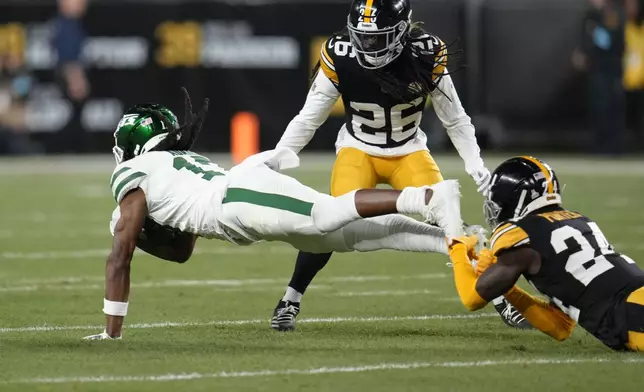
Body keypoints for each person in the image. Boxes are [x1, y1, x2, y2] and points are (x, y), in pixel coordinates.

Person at [83, 90, 467, 340]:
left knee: (325, 214)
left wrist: (111, 333)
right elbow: (183, 249)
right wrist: (146, 233)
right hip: (240, 202)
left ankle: (426, 197)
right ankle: (452, 242)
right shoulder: (174, 162)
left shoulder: (131, 172)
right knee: (354, 236)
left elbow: (120, 257)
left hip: (238, 199)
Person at [270, 0, 527, 332]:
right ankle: (290, 299)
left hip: (408, 151)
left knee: (452, 224)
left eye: (378, 38)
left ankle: (500, 297)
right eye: (362, 37)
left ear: (402, 31)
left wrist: (475, 164)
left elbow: (455, 119)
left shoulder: (425, 53)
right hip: (358, 150)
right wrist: (277, 158)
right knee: (329, 224)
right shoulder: (340, 53)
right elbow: (308, 119)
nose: (368, 45)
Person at [448, 156, 644, 351]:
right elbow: (560, 327)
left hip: (631, 313)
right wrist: (506, 288)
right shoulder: (579, 220)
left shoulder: (521, 233)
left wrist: (456, 247)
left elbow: (471, 299)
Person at [573, 0, 626, 155]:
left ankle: (614, 147)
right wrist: (581, 52)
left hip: (611, 69)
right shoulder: (589, 16)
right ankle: (600, 146)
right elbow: (585, 40)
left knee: (613, 108)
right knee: (598, 107)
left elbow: (615, 41)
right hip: (596, 70)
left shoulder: (612, 14)